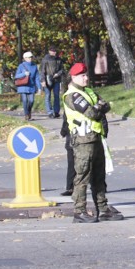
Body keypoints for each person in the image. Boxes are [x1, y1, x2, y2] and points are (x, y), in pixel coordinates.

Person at [62, 62, 122, 223]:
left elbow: (106, 105)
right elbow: (92, 113)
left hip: (96, 137)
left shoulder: (88, 91)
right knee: (83, 175)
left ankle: (103, 209)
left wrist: (98, 107)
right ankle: (79, 211)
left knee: (99, 176)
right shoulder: (72, 95)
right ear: (74, 77)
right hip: (83, 141)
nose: (86, 78)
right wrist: (98, 107)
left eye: (86, 75)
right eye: (82, 76)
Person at [14, 51, 41, 120]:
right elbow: (16, 76)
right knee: (25, 100)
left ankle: (29, 112)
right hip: (23, 86)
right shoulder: (21, 66)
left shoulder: (34, 66)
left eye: (31, 57)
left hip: (31, 86)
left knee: (31, 101)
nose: (30, 59)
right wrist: (24, 74)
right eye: (29, 57)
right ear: (25, 58)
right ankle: (26, 114)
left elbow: (37, 77)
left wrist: (39, 88)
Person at [40, 46, 64, 118]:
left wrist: (58, 74)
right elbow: (42, 71)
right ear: (49, 51)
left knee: (56, 96)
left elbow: (62, 69)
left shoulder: (59, 60)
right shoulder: (45, 60)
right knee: (48, 96)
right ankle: (49, 112)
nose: (55, 52)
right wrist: (43, 80)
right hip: (47, 80)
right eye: (53, 51)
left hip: (56, 80)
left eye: (55, 51)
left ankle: (56, 112)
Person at [60, 113, 75, 196]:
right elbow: (66, 120)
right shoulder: (68, 102)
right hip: (72, 138)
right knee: (71, 164)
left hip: (86, 138)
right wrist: (64, 130)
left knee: (89, 163)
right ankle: (70, 188)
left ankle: (99, 186)